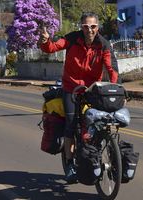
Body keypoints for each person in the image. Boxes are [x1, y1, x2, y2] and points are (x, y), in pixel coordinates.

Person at [40, 12, 118, 183]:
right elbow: (52, 48)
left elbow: (111, 69)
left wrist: (114, 88)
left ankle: (94, 150)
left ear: (98, 27)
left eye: (93, 26)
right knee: (71, 124)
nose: (89, 30)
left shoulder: (103, 45)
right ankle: (69, 163)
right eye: (85, 26)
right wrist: (45, 40)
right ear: (81, 27)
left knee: (99, 122)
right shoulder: (72, 39)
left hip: (92, 90)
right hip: (71, 88)